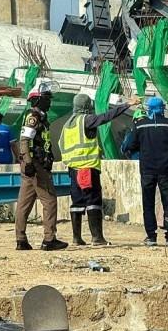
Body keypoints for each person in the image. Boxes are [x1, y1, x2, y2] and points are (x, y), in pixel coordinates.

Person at [59, 93, 139, 246]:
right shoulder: (86, 120)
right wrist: (127, 105)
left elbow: (61, 145)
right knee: (93, 201)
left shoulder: (67, 124)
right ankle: (97, 238)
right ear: (86, 106)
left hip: (73, 169)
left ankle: (76, 238)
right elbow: (106, 117)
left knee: (77, 203)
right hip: (87, 167)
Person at [123, 97, 168, 247]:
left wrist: (142, 147)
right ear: (163, 108)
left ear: (149, 109)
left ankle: (151, 237)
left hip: (147, 171)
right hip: (166, 170)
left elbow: (129, 145)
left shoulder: (140, 125)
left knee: (148, 204)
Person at [15, 81, 68, 252]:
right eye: (46, 98)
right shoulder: (34, 117)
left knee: (24, 203)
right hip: (36, 165)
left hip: (32, 164)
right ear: (37, 100)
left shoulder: (40, 117)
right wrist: (29, 162)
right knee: (50, 200)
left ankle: (21, 239)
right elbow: (24, 140)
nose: (49, 101)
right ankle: (49, 239)